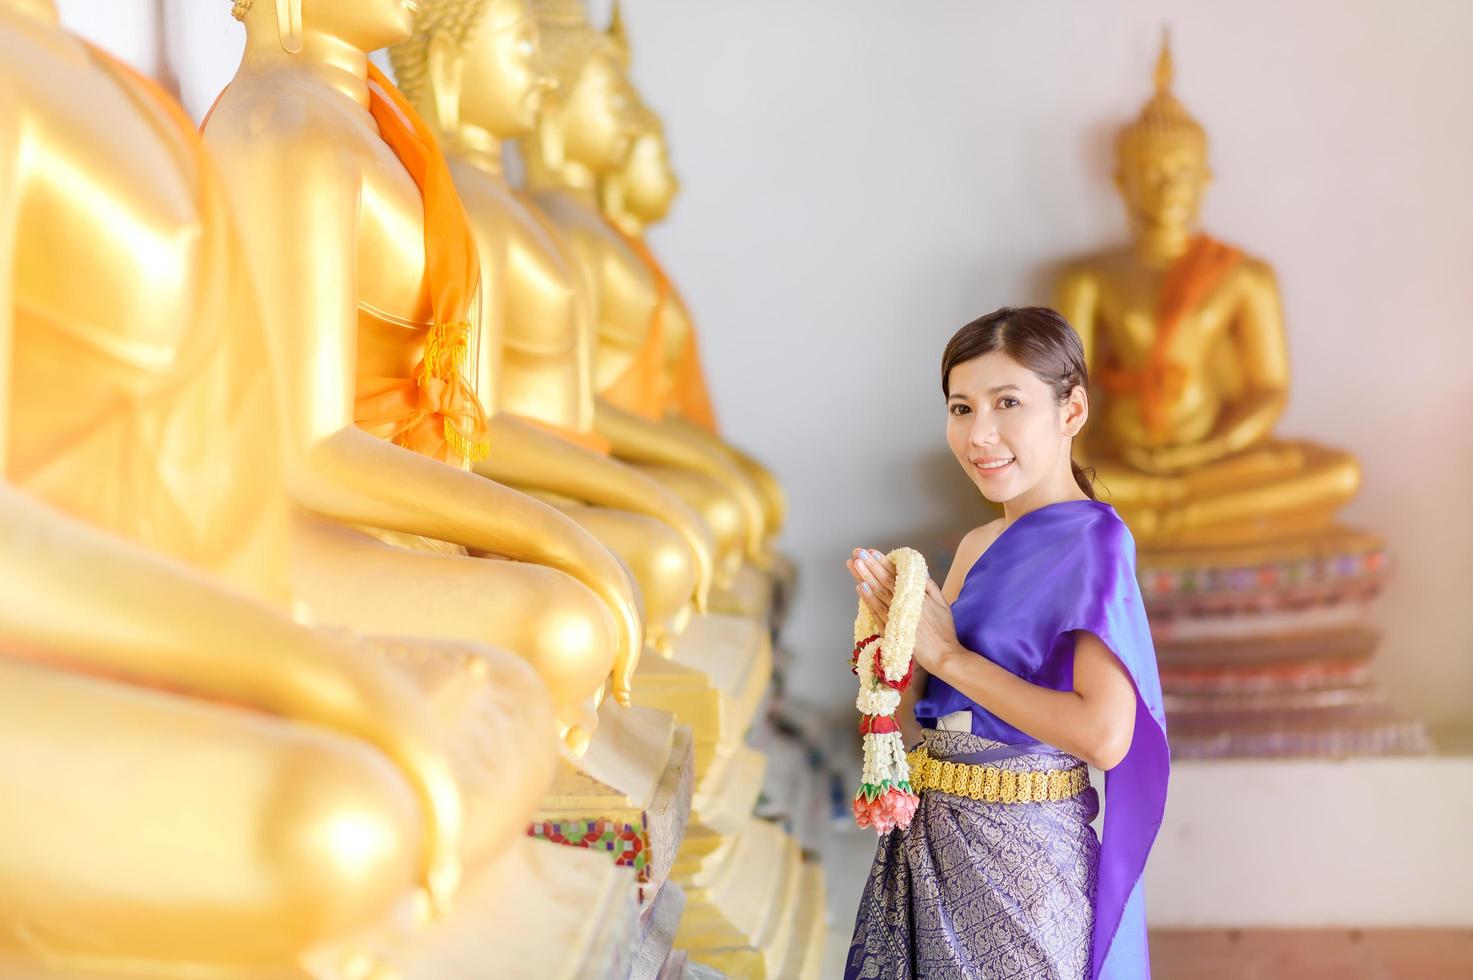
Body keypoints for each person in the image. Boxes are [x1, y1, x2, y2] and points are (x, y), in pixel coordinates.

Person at [844, 307, 1169, 979]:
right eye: (961, 408)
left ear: (1070, 409)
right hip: (933, 843)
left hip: (1023, 863)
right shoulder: (975, 545)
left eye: (1007, 403)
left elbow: (1104, 736)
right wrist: (891, 639)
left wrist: (948, 658)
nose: (979, 434)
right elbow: (936, 719)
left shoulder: (1094, 541)